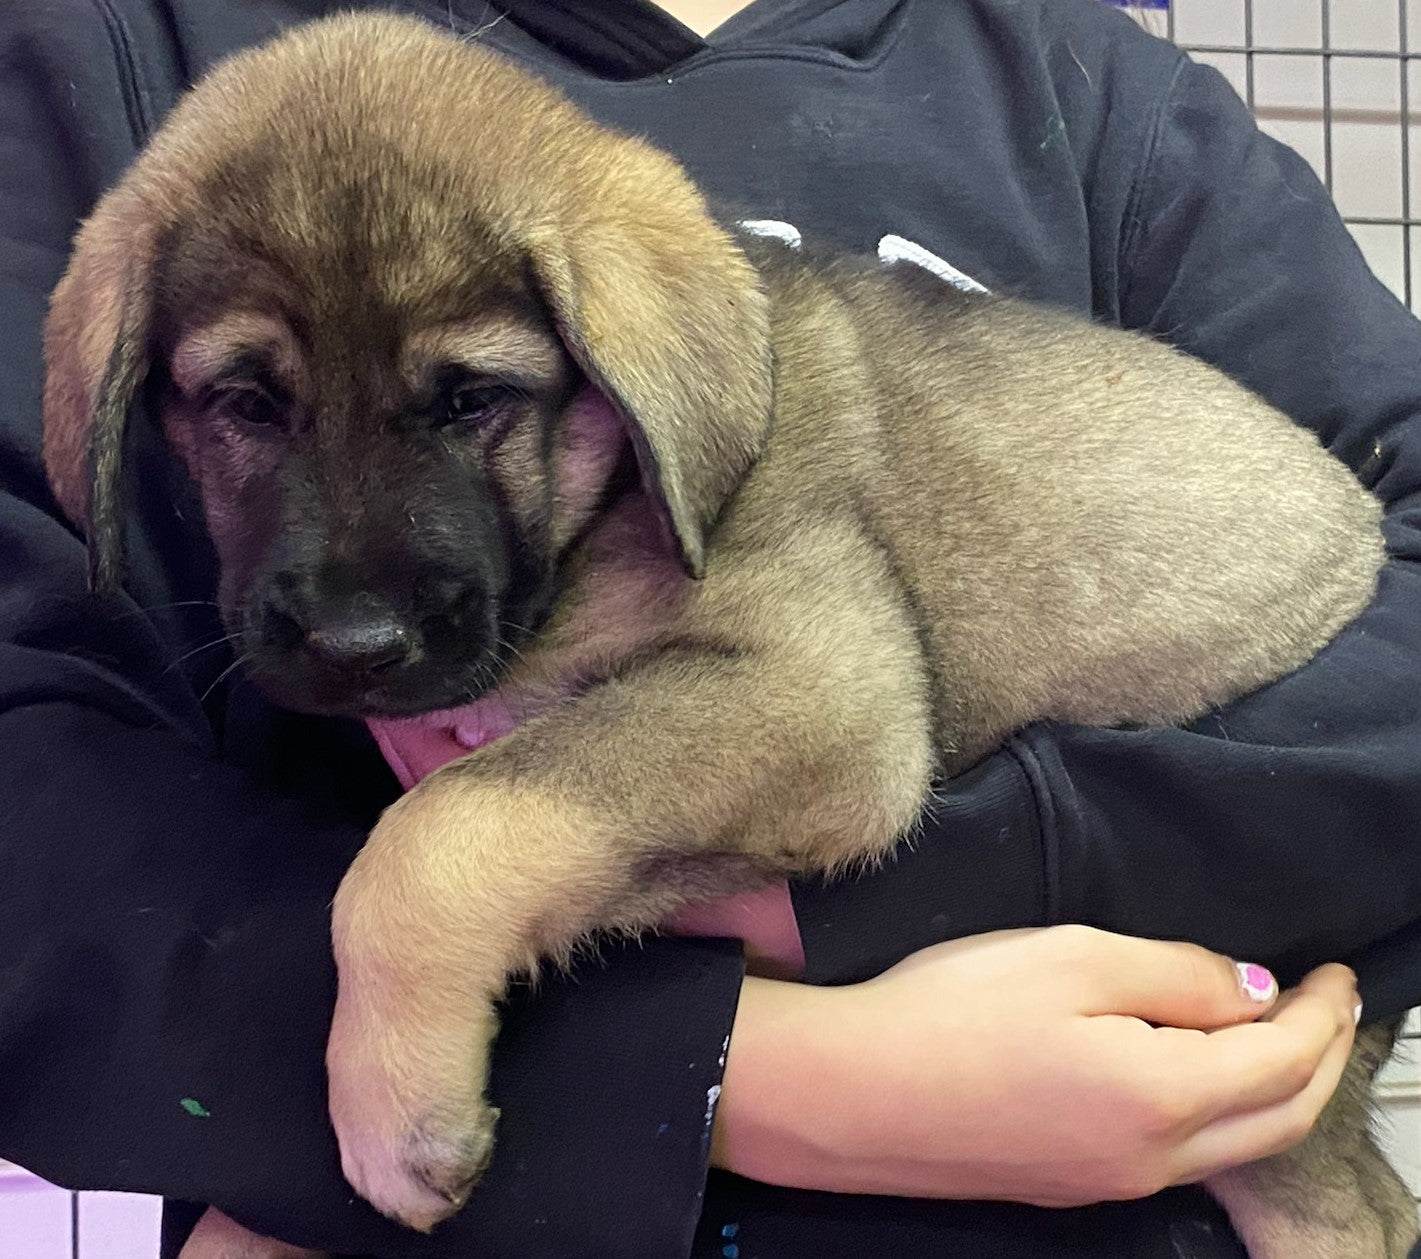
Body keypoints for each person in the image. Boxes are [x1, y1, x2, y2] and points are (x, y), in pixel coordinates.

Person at [0, 1, 1416, 1256]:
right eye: (249, 402)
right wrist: (736, 1073)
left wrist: (1035, 878)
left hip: (1171, 1066)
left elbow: (825, 738)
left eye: (469, 401)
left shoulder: (1090, 97)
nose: (357, 609)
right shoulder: (120, 53)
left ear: (629, 386)